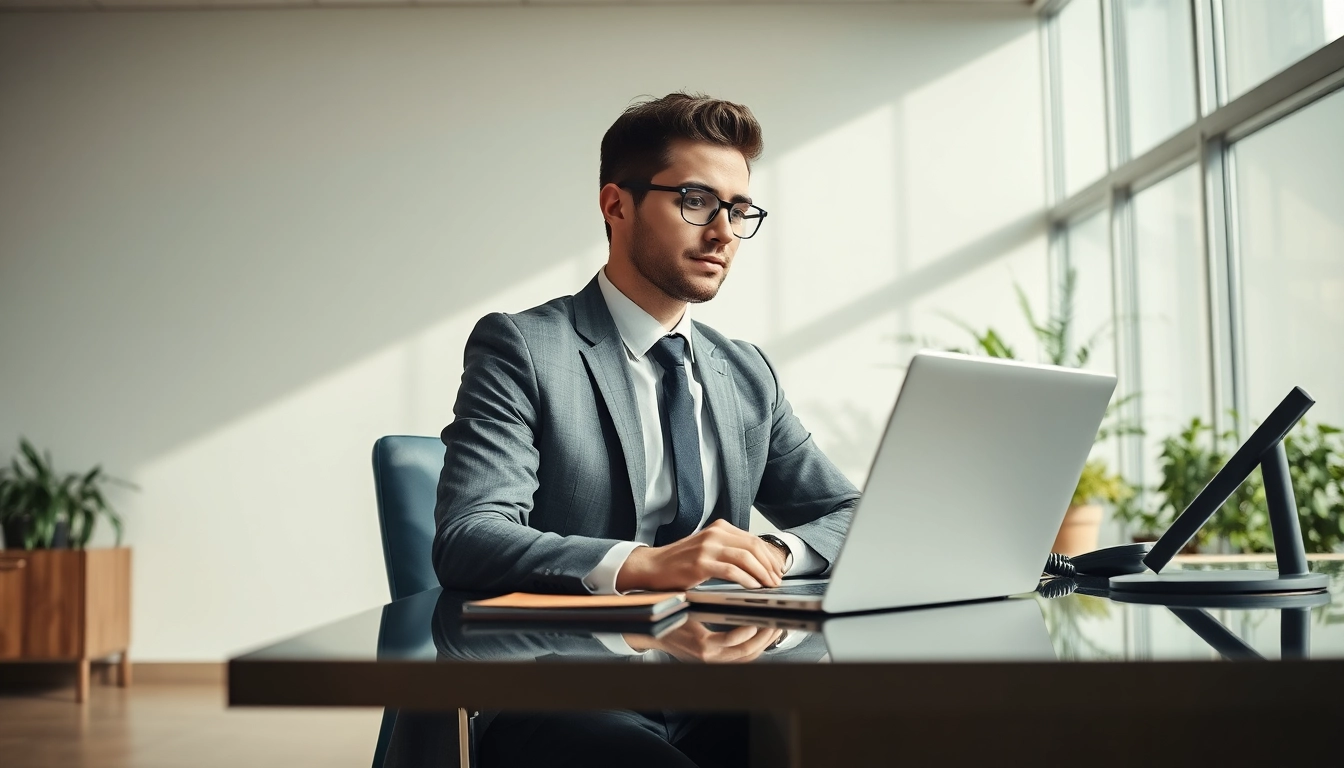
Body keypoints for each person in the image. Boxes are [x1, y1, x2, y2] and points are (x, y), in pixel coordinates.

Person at [433, 92, 859, 768]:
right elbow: (470, 535)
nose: (722, 232)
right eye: (695, 201)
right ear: (616, 205)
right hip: (566, 690)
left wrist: (773, 553)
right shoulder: (523, 347)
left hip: (724, 680)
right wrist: (644, 566)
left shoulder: (746, 373)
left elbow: (850, 513)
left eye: (738, 210)